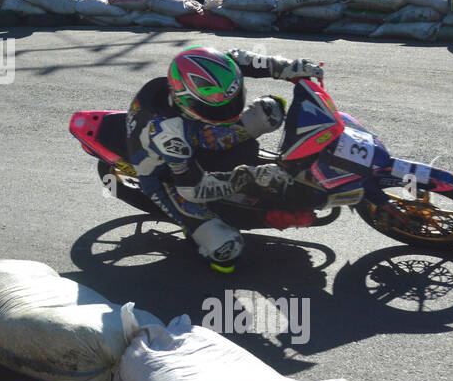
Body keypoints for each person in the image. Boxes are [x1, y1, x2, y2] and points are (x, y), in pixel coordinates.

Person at [125, 47, 323, 273]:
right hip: (166, 177)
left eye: (231, 98)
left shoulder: (214, 66)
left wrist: (289, 67)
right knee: (227, 251)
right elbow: (192, 189)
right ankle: (196, 231)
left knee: (270, 112)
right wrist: (248, 177)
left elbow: (249, 61)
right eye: (215, 105)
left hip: (197, 130)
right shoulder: (166, 133)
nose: (228, 109)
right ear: (187, 101)